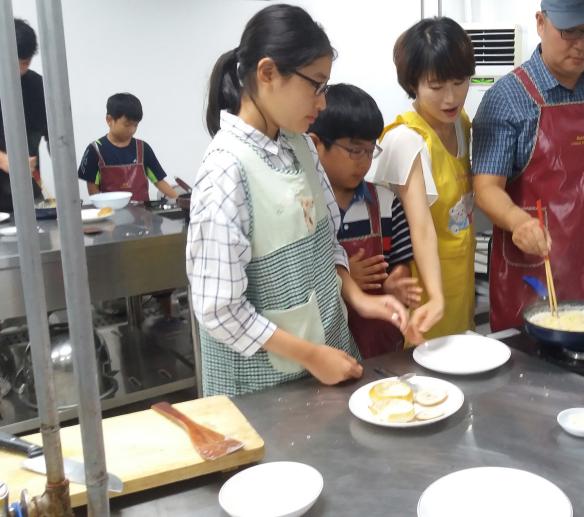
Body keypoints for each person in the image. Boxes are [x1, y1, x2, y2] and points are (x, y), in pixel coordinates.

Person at [186, 4, 408, 397]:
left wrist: (360, 299)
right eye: (316, 85)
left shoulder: (298, 146)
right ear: (268, 73)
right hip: (263, 389)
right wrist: (309, 355)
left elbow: (326, 245)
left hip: (325, 360)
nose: (321, 103)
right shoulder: (226, 171)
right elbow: (220, 312)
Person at [472, 0, 584, 331]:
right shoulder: (507, 97)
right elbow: (485, 189)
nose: (583, 44)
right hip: (533, 275)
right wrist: (519, 222)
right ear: (541, 23)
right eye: (570, 31)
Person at [369, 17, 476, 340]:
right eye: (437, 86)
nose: (451, 98)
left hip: (459, 281)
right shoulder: (406, 139)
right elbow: (421, 226)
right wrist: (437, 295)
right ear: (412, 83)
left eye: (459, 82)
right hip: (421, 288)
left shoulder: (462, 124)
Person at [308, 83, 422, 358]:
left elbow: (400, 263)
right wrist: (344, 279)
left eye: (371, 151)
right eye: (355, 151)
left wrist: (395, 283)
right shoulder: (306, 208)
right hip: (325, 350)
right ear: (315, 144)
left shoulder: (386, 202)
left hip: (381, 348)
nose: (365, 162)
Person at [77, 93, 178, 202]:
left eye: (135, 125)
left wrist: (181, 199)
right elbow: (93, 189)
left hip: (143, 215)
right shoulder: (95, 150)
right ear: (109, 120)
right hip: (111, 213)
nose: (132, 130)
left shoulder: (143, 148)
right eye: (127, 125)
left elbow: (159, 181)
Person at [0, 18, 46, 213]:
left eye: (26, 63)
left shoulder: (37, 86)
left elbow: (56, 139)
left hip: (28, 195)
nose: (21, 69)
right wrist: (3, 160)